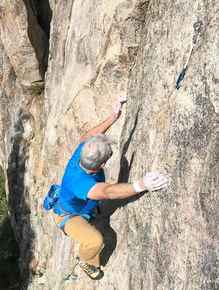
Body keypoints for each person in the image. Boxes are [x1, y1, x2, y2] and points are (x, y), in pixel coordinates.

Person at [53, 99, 169, 280]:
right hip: (69, 216)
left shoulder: (83, 152)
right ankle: (87, 261)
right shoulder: (82, 184)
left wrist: (113, 117)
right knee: (95, 240)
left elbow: (86, 137)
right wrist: (142, 185)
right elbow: (108, 192)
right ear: (103, 164)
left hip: (81, 207)